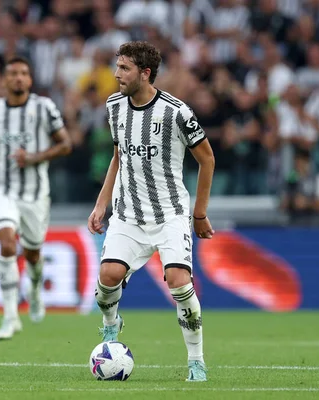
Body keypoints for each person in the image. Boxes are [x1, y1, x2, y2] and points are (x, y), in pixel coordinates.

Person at [87, 41, 215, 382]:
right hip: (128, 214)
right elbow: (119, 158)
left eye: (124, 68)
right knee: (107, 279)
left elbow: (207, 158)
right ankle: (111, 325)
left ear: (145, 73)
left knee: (179, 282)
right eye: (117, 67)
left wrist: (199, 213)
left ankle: (196, 360)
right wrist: (102, 204)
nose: (116, 74)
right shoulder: (114, 106)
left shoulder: (176, 112)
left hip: (170, 213)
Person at [0, 56, 72, 340]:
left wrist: (34, 157)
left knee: (32, 253)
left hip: (34, 194)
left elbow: (66, 144)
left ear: (30, 80)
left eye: (23, 73)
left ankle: (34, 288)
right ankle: (10, 316)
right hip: (2, 190)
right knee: (7, 244)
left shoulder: (44, 107)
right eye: (13, 74)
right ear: (5, 80)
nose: (18, 78)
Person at [280, 146, 319, 226]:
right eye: (296, 162)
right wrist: (290, 202)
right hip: (293, 224)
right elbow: (282, 204)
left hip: (315, 224)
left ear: (308, 162)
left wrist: (307, 203)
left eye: (301, 162)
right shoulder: (290, 177)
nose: (298, 165)